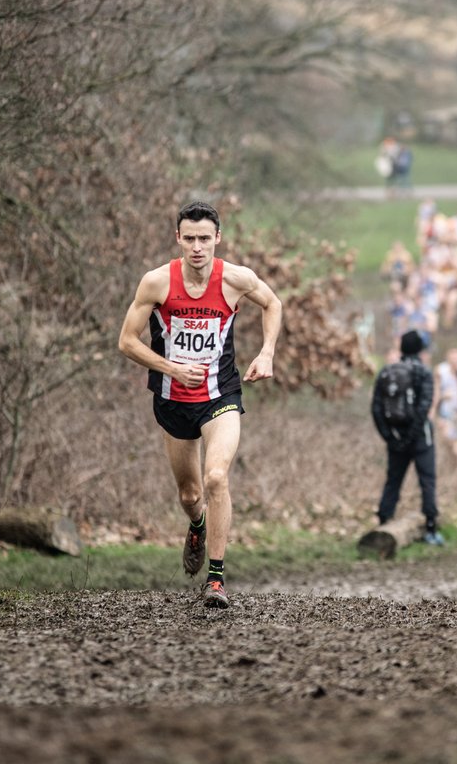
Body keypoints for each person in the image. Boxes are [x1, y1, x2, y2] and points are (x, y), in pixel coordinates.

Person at [118, 201, 283, 609]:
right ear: (178, 238)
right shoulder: (156, 283)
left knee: (216, 477)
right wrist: (172, 368)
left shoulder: (236, 278)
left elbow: (273, 303)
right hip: (173, 399)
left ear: (217, 239)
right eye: (189, 238)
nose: (197, 247)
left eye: (204, 239)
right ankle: (197, 525)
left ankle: (216, 580)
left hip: (220, 395)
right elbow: (127, 341)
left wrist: (267, 353)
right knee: (191, 495)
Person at [372, 330, 444, 545]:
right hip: (421, 438)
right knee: (427, 481)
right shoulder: (424, 372)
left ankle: (384, 520)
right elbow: (424, 409)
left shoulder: (386, 372)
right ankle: (430, 527)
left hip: (395, 437)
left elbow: (376, 409)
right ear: (421, 349)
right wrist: (412, 436)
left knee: (393, 480)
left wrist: (390, 437)